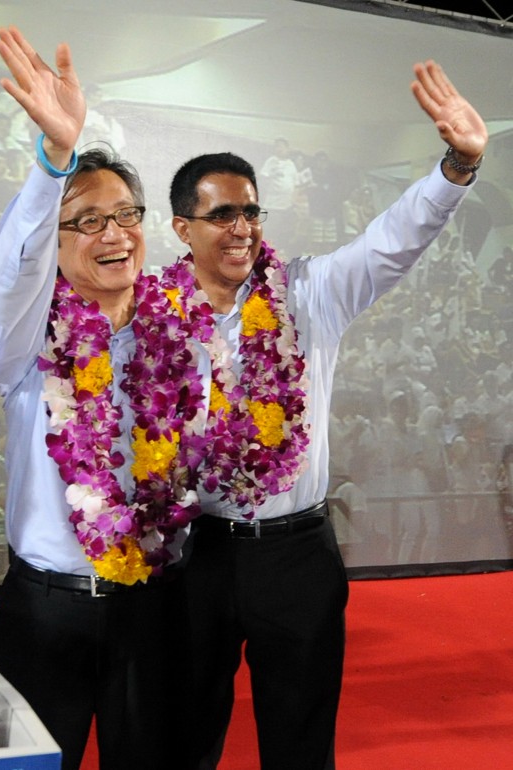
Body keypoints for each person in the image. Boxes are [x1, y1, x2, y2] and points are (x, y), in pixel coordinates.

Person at [162, 60, 486, 769]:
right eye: (223, 214)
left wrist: (456, 167)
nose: (243, 227)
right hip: (195, 556)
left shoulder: (311, 294)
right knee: (181, 736)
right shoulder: (150, 317)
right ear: (183, 227)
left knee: (301, 741)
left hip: (296, 553)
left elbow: (391, 242)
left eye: (251, 211)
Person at [0, 28, 210, 770]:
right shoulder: (25, 339)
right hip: (47, 612)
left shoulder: (181, 337)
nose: (113, 234)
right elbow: (8, 279)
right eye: (86, 221)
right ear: (56, 238)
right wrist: (53, 161)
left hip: (155, 608)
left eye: (125, 215)